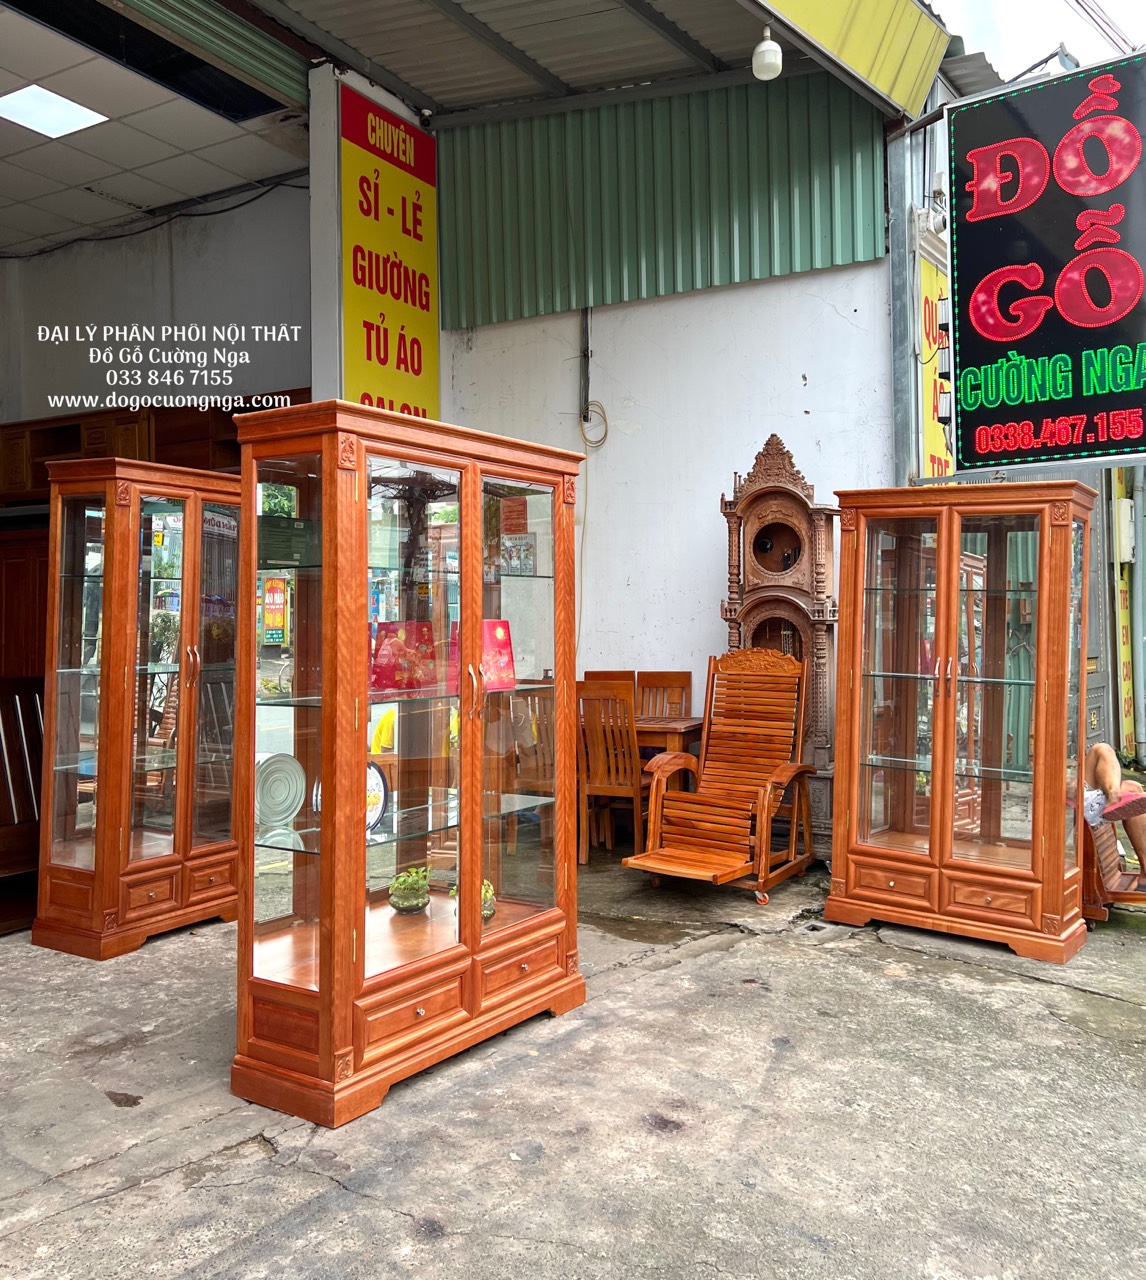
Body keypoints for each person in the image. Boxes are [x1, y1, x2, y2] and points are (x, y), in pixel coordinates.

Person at [1081, 742, 1146, 868]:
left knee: (1133, 789)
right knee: (1102, 749)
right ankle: (1114, 794)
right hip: (1065, 804)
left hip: (1077, 792)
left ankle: (1114, 794)